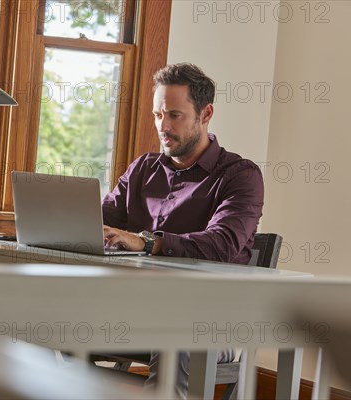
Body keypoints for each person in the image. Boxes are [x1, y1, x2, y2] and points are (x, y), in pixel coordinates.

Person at [101, 63, 265, 398]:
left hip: (207, 323)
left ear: (206, 114)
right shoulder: (142, 169)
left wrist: (147, 243)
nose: (163, 125)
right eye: (158, 114)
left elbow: (223, 244)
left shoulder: (240, 176)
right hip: (134, 311)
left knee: (174, 331)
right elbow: (99, 223)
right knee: (43, 318)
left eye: (175, 115)